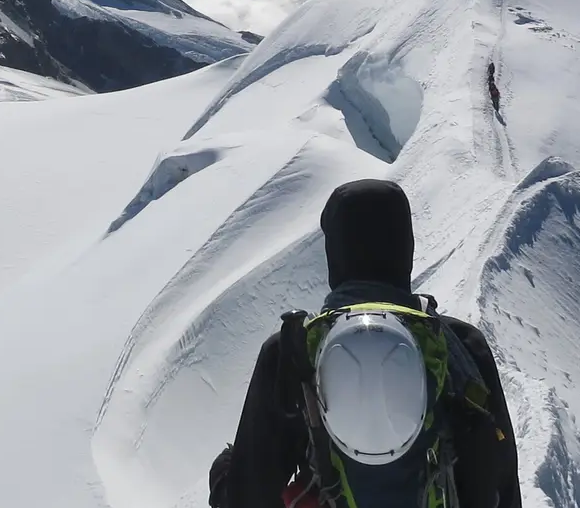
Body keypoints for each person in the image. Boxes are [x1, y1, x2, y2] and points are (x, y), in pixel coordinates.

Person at [209, 179, 522, 508]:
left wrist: (222, 477)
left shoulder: (293, 351)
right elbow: (503, 480)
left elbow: (248, 497)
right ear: (406, 248)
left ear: (335, 253)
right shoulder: (460, 344)